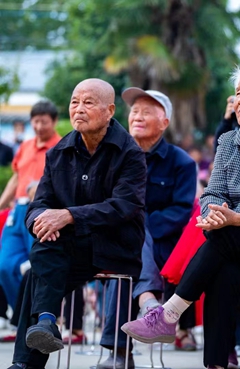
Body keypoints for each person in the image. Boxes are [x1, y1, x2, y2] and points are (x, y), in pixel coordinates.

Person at [122, 63, 240, 369]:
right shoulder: (228, 142)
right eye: (237, 92)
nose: (238, 99)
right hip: (235, 240)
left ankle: (169, 313)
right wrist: (215, 214)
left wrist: (238, 219)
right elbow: (213, 193)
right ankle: (215, 364)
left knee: (223, 238)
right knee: (223, 267)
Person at [8, 78, 147, 369]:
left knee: (39, 272)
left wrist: (68, 215)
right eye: (74, 102)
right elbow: (38, 204)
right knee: (44, 247)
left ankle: (27, 359)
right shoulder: (59, 152)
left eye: (88, 102)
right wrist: (41, 221)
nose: (79, 109)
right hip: (69, 247)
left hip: (115, 245)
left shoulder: (129, 153)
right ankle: (45, 324)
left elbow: (124, 206)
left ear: (109, 110)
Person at [97, 88, 197, 368]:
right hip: (115, 239)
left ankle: (117, 353)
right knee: (127, 246)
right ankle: (149, 301)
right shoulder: (113, 157)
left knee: (129, 253)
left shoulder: (182, 163)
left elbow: (180, 211)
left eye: (147, 111)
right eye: (135, 111)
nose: (137, 116)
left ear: (164, 122)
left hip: (162, 248)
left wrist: (138, 226)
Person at [0, 101, 61, 313]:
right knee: (4, 266)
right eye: (35, 121)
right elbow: (16, 178)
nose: (38, 126)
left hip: (42, 212)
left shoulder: (61, 148)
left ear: (53, 122)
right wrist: (1, 203)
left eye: (43, 122)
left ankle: (38, 319)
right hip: (17, 212)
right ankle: (23, 316)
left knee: (37, 268)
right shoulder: (25, 146)